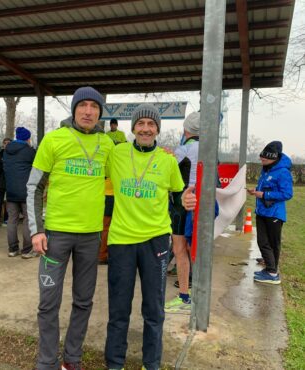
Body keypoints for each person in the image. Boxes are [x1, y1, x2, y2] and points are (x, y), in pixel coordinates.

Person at [26, 86, 114, 370]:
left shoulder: (108, 145)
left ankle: (72, 359)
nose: (88, 111)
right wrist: (36, 230)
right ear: (74, 109)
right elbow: (34, 187)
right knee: (48, 303)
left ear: (100, 112)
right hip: (55, 236)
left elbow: (131, 174)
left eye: (94, 106)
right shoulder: (54, 140)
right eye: (83, 105)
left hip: (90, 238)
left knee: (84, 301)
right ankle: (47, 361)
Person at [104, 104, 195, 370]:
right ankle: (114, 364)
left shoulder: (167, 160)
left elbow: (178, 197)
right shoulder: (116, 153)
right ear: (133, 128)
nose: (145, 129)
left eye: (151, 124)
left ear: (157, 129)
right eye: (141, 124)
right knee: (119, 309)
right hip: (121, 240)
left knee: (154, 310)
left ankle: (151, 364)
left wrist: (185, 201)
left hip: (155, 240)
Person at [164, 112, 200, 313]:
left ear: (187, 130)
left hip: (181, 202)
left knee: (179, 249)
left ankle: (185, 297)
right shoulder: (209, 149)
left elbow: (168, 174)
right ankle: (195, 295)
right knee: (193, 248)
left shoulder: (184, 148)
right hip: (200, 202)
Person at [247, 141, 293, 285]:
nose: (262, 161)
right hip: (262, 212)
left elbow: (287, 194)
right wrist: (256, 191)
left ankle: (272, 273)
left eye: (264, 159)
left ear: (273, 157)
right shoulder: (266, 169)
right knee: (262, 242)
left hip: (274, 214)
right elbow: (266, 187)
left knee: (272, 243)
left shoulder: (283, 172)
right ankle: (269, 268)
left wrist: (264, 195)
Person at [3, 127, 36, 258]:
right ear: (27, 138)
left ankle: (12, 249)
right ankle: (27, 250)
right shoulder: (30, 151)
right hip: (26, 191)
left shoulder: (7, 151)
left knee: (12, 220)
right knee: (28, 220)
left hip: (10, 190)